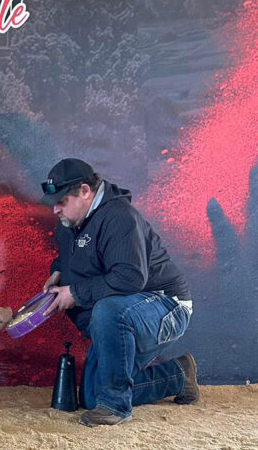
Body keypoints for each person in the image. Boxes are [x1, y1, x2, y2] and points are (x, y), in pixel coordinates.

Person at [39, 158, 199, 426]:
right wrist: (58, 272)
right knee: (91, 397)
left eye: (62, 201)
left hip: (166, 305)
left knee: (108, 309)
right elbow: (68, 255)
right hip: (125, 314)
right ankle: (178, 375)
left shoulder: (119, 217)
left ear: (85, 191)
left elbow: (130, 277)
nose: (55, 209)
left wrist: (74, 293)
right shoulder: (70, 221)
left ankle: (116, 406)